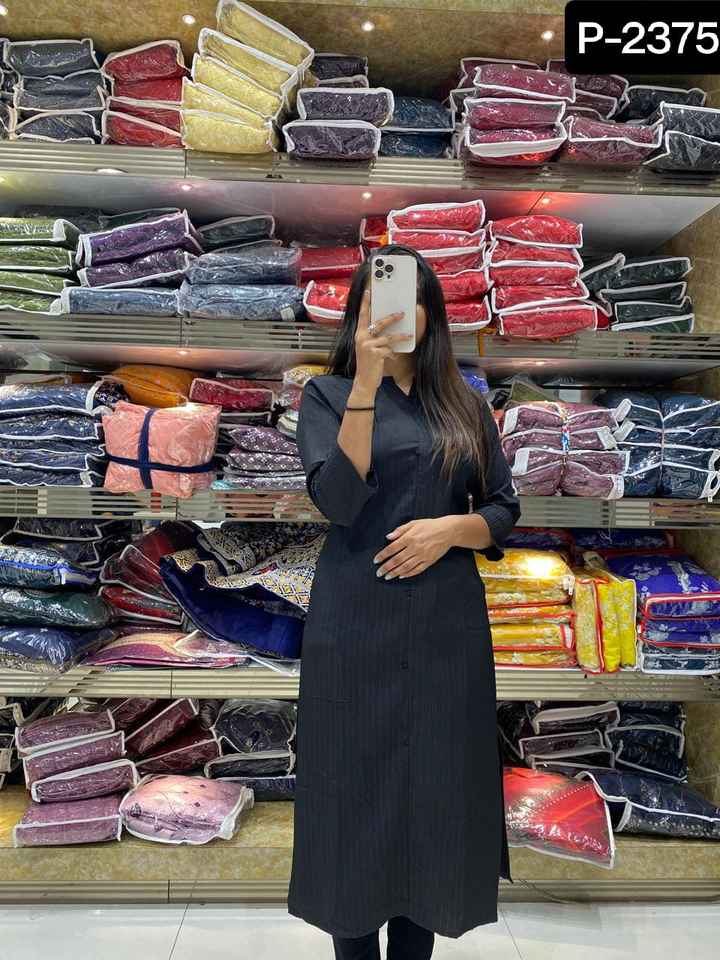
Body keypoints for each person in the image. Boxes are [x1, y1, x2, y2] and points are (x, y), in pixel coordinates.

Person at [288, 245, 520, 959]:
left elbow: (504, 509)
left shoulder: (465, 404)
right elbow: (338, 500)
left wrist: (450, 530)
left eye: (411, 297)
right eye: (379, 299)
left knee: (435, 799)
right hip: (355, 624)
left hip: (446, 627)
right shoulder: (326, 396)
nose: (395, 311)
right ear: (358, 313)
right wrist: (365, 380)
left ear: (431, 314)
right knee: (352, 799)